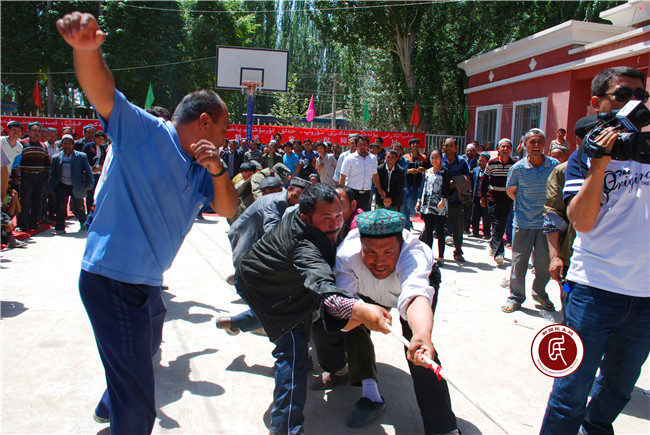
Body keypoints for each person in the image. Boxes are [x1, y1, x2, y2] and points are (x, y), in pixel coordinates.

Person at [56, 11, 237, 433]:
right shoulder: (146, 132)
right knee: (139, 406)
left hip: (147, 283)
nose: (225, 140)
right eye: (223, 131)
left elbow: (229, 209)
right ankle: (120, 407)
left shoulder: (204, 169)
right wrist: (87, 49)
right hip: (113, 280)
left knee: (148, 341)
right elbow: (103, 92)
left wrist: (217, 169)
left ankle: (111, 399)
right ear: (205, 121)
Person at [540, 66, 650, 435]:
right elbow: (582, 222)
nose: (635, 102)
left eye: (641, 96)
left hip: (645, 297)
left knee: (618, 389)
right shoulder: (582, 159)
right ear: (597, 103)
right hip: (594, 291)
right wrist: (600, 164)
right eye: (624, 95)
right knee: (571, 391)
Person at [235, 183, 391, 435]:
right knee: (294, 351)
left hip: (272, 279)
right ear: (306, 218)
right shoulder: (306, 247)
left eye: (338, 214)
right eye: (326, 218)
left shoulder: (305, 216)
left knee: (301, 314)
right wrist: (358, 309)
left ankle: (236, 323)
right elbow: (324, 287)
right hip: (265, 289)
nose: (335, 223)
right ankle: (286, 429)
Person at [313, 209, 458, 433]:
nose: (379, 261)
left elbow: (416, 296)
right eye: (370, 251)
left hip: (408, 297)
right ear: (360, 245)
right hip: (366, 293)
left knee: (420, 352)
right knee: (324, 324)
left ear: (401, 245)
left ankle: (443, 427)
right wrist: (360, 314)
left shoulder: (415, 255)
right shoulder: (347, 255)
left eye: (389, 252)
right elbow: (342, 310)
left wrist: (422, 335)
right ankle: (339, 370)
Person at [217, 178, 308, 335]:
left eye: (302, 198)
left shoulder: (290, 203)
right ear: (288, 190)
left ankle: (240, 320)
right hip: (246, 234)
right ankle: (248, 322)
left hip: (256, 238)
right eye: (295, 196)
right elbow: (272, 231)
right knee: (260, 291)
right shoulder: (276, 203)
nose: (297, 201)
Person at [501, 128, 559, 314]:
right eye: (532, 142)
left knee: (543, 263)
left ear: (544, 144)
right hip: (523, 223)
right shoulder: (517, 168)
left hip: (546, 225)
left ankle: (539, 293)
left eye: (539, 142)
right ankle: (515, 298)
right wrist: (526, 206)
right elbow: (511, 191)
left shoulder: (554, 165)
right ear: (525, 144)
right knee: (519, 263)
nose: (536, 145)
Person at [48, 134, 94, 234]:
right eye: (65, 143)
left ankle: (83, 224)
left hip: (76, 185)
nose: (67, 145)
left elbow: (88, 172)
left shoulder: (81, 156)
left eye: (69, 143)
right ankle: (60, 227)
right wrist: (51, 188)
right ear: (62, 144)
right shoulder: (56, 157)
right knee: (61, 207)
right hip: (61, 185)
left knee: (79, 206)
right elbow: (52, 174)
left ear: (73, 144)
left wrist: (88, 185)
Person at [481, 138, 516, 265]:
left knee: (502, 224)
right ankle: (499, 253)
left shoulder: (514, 165)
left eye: (508, 147)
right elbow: (485, 181)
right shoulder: (491, 163)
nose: (505, 149)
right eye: (503, 147)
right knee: (496, 224)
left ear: (511, 150)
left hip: (507, 199)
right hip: (493, 199)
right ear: (498, 149)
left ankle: (492, 243)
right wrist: (482, 197)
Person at [416, 149, 450, 264]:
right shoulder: (427, 172)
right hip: (427, 205)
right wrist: (419, 201)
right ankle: (428, 255)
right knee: (428, 231)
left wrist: (443, 200)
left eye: (436, 157)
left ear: (441, 159)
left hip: (439, 206)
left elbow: (446, 188)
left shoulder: (445, 172)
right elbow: (423, 187)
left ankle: (441, 257)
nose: (434, 160)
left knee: (440, 231)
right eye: (432, 157)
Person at [17, 122, 50, 232]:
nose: (37, 133)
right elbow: (16, 161)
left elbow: (47, 163)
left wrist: (47, 177)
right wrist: (15, 176)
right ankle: (22, 224)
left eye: (39, 131)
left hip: (40, 177)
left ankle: (34, 223)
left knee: (38, 201)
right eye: (34, 130)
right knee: (24, 201)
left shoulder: (43, 146)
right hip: (26, 175)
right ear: (28, 131)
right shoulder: (22, 144)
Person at [442, 137, 470, 262]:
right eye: (446, 146)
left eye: (450, 146)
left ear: (456, 148)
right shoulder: (440, 159)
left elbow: (467, 178)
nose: (448, 148)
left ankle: (458, 251)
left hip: (456, 200)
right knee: (436, 227)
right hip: (441, 200)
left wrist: (455, 182)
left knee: (458, 229)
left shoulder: (462, 162)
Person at [339, 135, 385, 211]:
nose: (363, 147)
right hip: (352, 193)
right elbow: (342, 176)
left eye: (365, 144)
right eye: (360, 144)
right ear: (356, 146)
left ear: (368, 146)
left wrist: (379, 189)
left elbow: (375, 175)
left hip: (366, 194)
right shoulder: (349, 158)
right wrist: (341, 193)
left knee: (364, 216)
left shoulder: (373, 158)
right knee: (351, 215)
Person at [401, 138, 429, 231]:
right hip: (408, 184)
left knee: (413, 205)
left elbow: (428, 170)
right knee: (406, 204)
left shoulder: (423, 157)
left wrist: (423, 170)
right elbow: (402, 170)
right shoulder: (405, 157)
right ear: (410, 146)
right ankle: (407, 222)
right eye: (413, 144)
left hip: (418, 184)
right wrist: (409, 171)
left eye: (417, 143)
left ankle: (409, 218)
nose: (415, 145)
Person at [469, 152, 491, 238]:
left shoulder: (490, 171)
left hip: (486, 197)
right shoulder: (475, 170)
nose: (481, 162)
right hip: (476, 197)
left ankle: (487, 233)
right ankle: (475, 232)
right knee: (475, 215)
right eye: (480, 161)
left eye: (483, 161)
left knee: (486, 216)